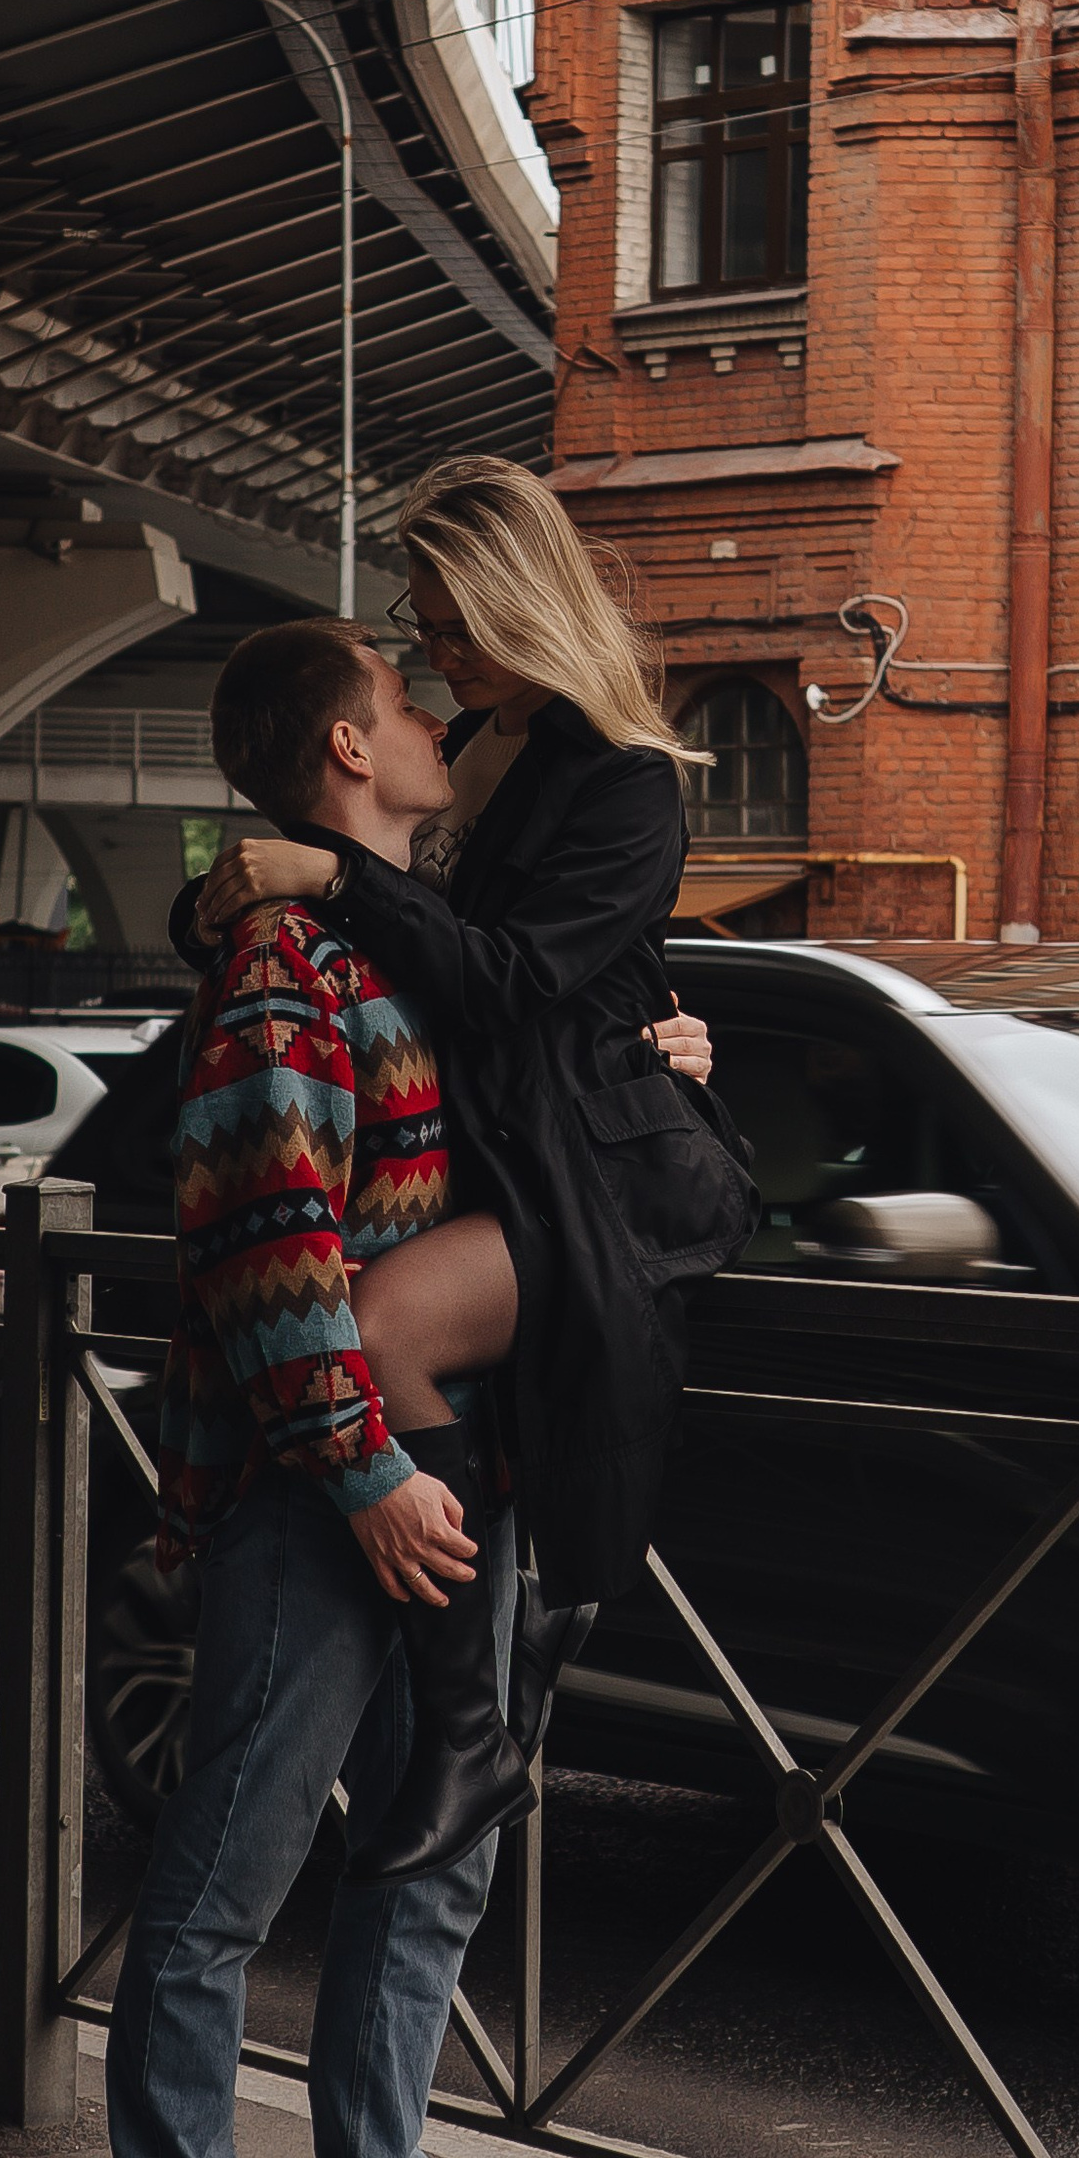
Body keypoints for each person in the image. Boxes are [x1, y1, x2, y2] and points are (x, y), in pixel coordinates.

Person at [105, 614, 570, 2158]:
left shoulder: (408, 946)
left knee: (432, 1850)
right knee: (233, 1863)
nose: (443, 715)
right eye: (407, 699)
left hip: (459, 1459)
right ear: (347, 753)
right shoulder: (284, 967)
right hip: (330, 1488)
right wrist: (363, 1469)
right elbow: (260, 1244)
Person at [190, 456, 760, 1886]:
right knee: (386, 1329)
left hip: (609, 1171)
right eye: (422, 631)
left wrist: (321, 878)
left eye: (450, 625)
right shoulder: (484, 748)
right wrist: (236, 897)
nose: (433, 657)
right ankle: (467, 1727)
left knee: (381, 1324)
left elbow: (504, 978)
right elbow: (342, 859)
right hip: (524, 1153)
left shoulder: (625, 780)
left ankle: (470, 1734)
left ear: (521, 606)